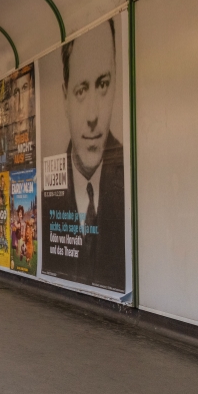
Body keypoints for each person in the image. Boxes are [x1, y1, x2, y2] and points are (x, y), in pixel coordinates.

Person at [43, 19, 126, 292]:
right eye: (81, 90)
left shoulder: (133, 178)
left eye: (103, 84)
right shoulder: (43, 197)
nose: (93, 115)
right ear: (65, 96)